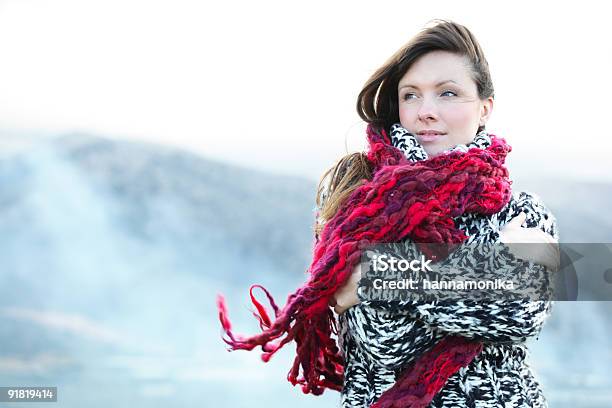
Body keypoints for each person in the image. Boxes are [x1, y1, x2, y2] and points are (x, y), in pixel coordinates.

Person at [316, 20, 560, 407]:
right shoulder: (357, 198)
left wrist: (375, 272)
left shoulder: (523, 209)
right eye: (411, 95)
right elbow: (386, 340)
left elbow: (523, 307)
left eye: (448, 93)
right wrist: (487, 275)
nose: (426, 111)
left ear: (484, 109)